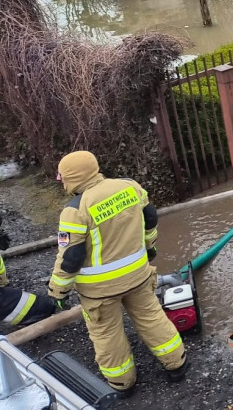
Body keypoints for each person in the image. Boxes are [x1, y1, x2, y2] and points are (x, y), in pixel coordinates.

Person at [47, 151, 188, 397]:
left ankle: (124, 383)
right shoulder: (129, 186)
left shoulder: (75, 210)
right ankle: (177, 365)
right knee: (152, 318)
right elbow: (150, 217)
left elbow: (70, 258)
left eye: (63, 176)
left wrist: (57, 291)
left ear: (72, 177)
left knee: (107, 334)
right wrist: (149, 246)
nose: (61, 181)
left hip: (99, 291)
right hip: (139, 276)